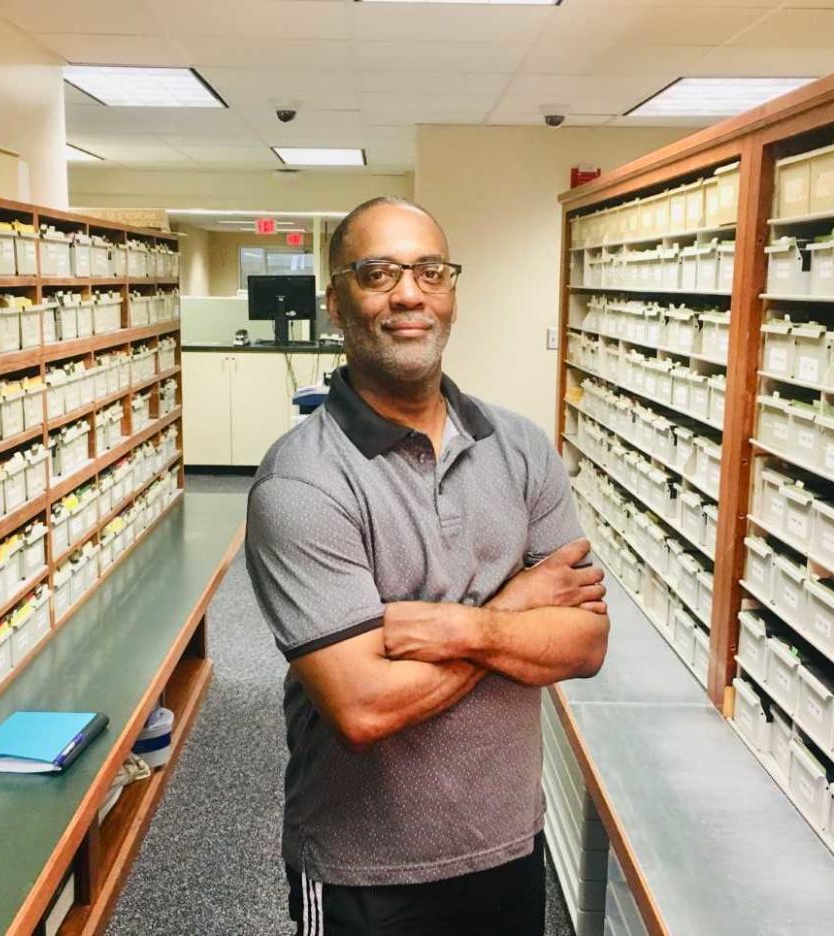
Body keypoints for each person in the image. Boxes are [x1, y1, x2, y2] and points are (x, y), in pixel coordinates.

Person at [245, 195, 610, 936]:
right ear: (336, 301)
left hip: (508, 839)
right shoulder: (303, 483)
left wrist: (454, 629)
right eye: (377, 273)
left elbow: (584, 644)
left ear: (451, 293)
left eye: (429, 271)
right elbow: (364, 707)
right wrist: (511, 610)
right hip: (366, 870)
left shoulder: (521, 449)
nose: (408, 293)